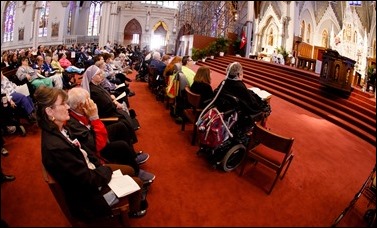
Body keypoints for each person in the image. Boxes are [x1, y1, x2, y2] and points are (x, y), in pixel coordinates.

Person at [33, 86, 148, 220]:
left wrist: (99, 164)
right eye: (63, 104)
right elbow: (87, 180)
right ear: (49, 111)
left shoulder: (59, 128)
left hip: (90, 169)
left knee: (129, 169)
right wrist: (105, 170)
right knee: (138, 182)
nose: (68, 107)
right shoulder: (56, 147)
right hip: (89, 194)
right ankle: (133, 211)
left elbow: (85, 150)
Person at [66, 87, 155, 185]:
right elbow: (98, 146)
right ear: (81, 106)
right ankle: (136, 172)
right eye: (89, 100)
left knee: (120, 127)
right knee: (121, 146)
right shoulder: (73, 123)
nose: (92, 101)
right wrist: (95, 118)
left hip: (95, 135)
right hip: (96, 149)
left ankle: (132, 156)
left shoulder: (80, 112)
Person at [81, 65, 139, 144]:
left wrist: (113, 100)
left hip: (110, 109)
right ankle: (129, 145)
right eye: (98, 74)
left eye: (101, 73)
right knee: (123, 119)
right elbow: (105, 105)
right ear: (92, 77)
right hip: (107, 114)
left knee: (124, 114)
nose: (101, 75)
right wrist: (115, 104)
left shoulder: (96, 86)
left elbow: (106, 97)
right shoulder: (93, 90)